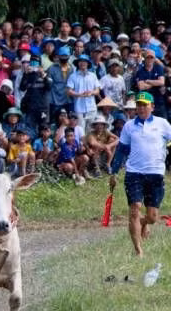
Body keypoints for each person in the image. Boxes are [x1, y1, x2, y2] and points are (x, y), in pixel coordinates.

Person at [109, 92, 171, 256]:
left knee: (152, 217)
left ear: (152, 107)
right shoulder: (129, 126)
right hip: (134, 173)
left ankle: (144, 223)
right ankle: (138, 251)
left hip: (156, 173)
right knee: (135, 209)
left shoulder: (163, 124)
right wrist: (113, 173)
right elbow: (122, 150)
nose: (141, 108)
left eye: (145, 105)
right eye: (139, 105)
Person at [66, 54, 100, 125]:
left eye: (85, 61)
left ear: (88, 63)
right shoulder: (73, 76)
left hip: (92, 108)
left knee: (91, 131)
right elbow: (69, 91)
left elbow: (97, 91)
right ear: (78, 63)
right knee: (80, 131)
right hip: (79, 108)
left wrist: (91, 93)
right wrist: (79, 94)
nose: (82, 63)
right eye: (80, 61)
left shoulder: (93, 75)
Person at [132, 49, 166, 118]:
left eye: (152, 57)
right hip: (146, 102)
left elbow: (162, 82)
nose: (150, 59)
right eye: (148, 57)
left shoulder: (158, 68)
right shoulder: (140, 71)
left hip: (159, 101)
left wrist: (147, 81)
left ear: (154, 59)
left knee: (163, 124)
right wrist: (156, 82)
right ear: (145, 58)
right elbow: (141, 86)